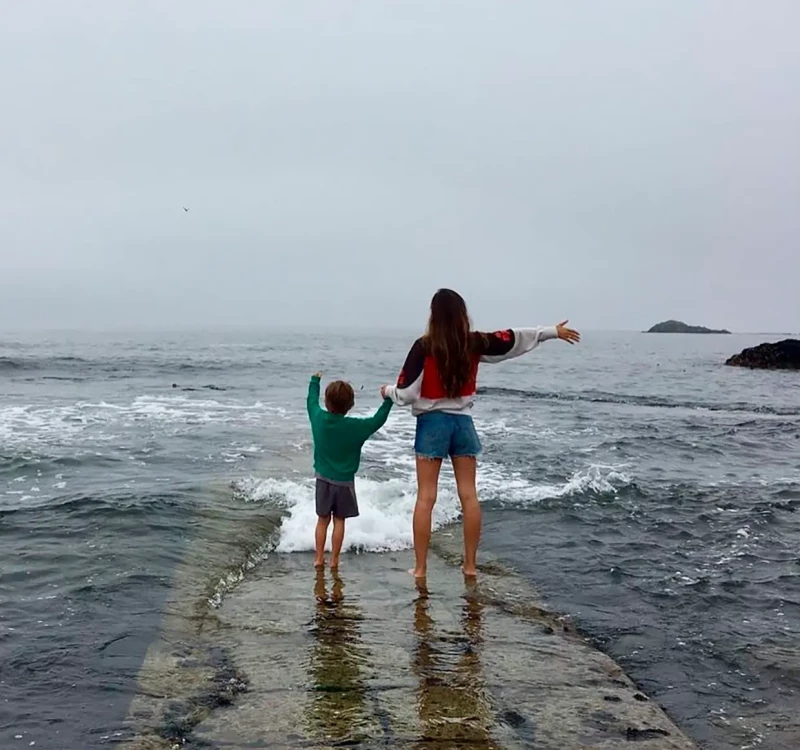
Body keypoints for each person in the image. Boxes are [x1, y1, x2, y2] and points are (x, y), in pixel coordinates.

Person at [380, 289, 580, 579]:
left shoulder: (424, 346)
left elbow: (408, 393)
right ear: (462, 314)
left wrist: (387, 392)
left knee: (426, 498)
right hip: (463, 424)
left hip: (432, 425)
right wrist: (551, 332)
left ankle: (421, 569)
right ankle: (470, 566)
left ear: (433, 315)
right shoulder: (472, 343)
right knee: (469, 496)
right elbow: (512, 339)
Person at [307, 373, 392, 569]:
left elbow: (311, 401)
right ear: (351, 405)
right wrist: (388, 400)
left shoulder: (318, 418)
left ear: (327, 402)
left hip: (322, 479)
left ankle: (318, 558)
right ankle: (334, 560)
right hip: (344, 482)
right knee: (339, 520)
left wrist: (314, 382)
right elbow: (377, 420)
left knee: (322, 520)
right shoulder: (356, 427)